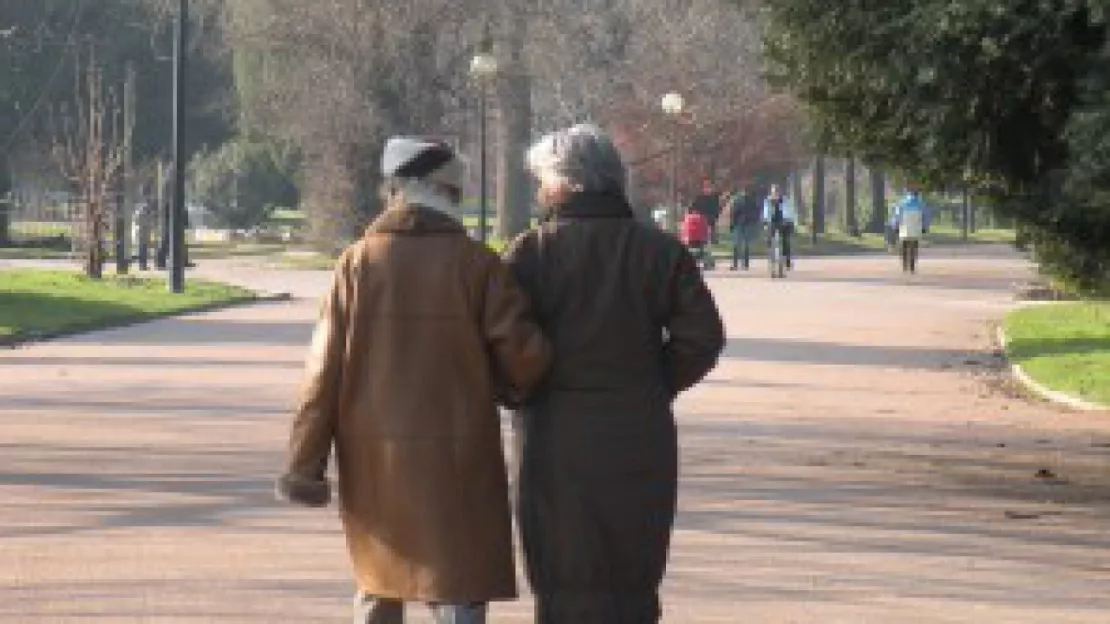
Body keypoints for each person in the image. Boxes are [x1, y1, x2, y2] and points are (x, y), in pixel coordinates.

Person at [276, 137, 552, 624]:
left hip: (374, 458)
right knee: (458, 584)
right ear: (447, 192)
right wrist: (510, 389)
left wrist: (305, 466)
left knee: (379, 580)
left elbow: (321, 378)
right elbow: (524, 357)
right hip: (459, 455)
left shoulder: (356, 264)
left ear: (396, 190)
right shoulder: (477, 265)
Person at [505, 124, 726, 624]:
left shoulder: (532, 254)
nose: (539, 189)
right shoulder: (661, 252)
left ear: (565, 183)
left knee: (564, 570)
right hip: (638, 428)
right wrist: (654, 383)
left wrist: (523, 389)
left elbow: (505, 343)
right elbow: (702, 339)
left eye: (542, 179)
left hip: (555, 432)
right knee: (632, 566)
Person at [892, 186, 930, 273]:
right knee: (914, 246)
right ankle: (912, 266)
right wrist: (925, 227)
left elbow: (897, 216)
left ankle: (905, 265)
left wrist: (895, 226)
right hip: (916, 228)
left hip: (904, 227)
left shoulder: (902, 203)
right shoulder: (921, 204)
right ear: (917, 194)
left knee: (904, 246)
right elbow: (926, 217)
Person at [763, 184, 797, 269]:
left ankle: (787, 261)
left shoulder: (785, 200)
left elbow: (789, 211)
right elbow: (766, 212)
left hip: (784, 222)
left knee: (786, 241)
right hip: (772, 222)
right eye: (774, 191)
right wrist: (766, 222)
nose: (775, 193)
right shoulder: (768, 200)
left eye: (777, 191)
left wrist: (790, 221)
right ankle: (771, 259)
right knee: (769, 240)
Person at [728, 184, 760, 270]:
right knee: (741, 244)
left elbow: (733, 213)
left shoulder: (740, 200)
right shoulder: (749, 200)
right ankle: (742, 264)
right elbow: (733, 213)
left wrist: (732, 224)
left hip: (742, 224)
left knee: (741, 245)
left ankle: (739, 264)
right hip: (742, 224)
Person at [690, 179, 722, 244]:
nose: (707, 187)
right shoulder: (699, 197)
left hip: (711, 217)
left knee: (711, 230)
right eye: (705, 185)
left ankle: (712, 239)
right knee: (703, 234)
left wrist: (716, 214)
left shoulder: (714, 196)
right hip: (701, 218)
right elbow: (694, 206)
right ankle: (703, 241)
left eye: (708, 185)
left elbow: (717, 206)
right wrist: (694, 212)